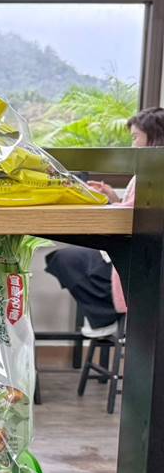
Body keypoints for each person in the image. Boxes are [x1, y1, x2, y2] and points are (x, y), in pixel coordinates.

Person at [45, 107, 164, 337]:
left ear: (154, 138)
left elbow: (138, 215)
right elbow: (136, 211)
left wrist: (100, 202)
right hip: (139, 254)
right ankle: (102, 317)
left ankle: (104, 316)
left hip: (140, 262)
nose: (132, 145)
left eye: (135, 137)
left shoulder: (155, 173)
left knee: (65, 259)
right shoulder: (149, 171)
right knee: (65, 258)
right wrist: (112, 198)